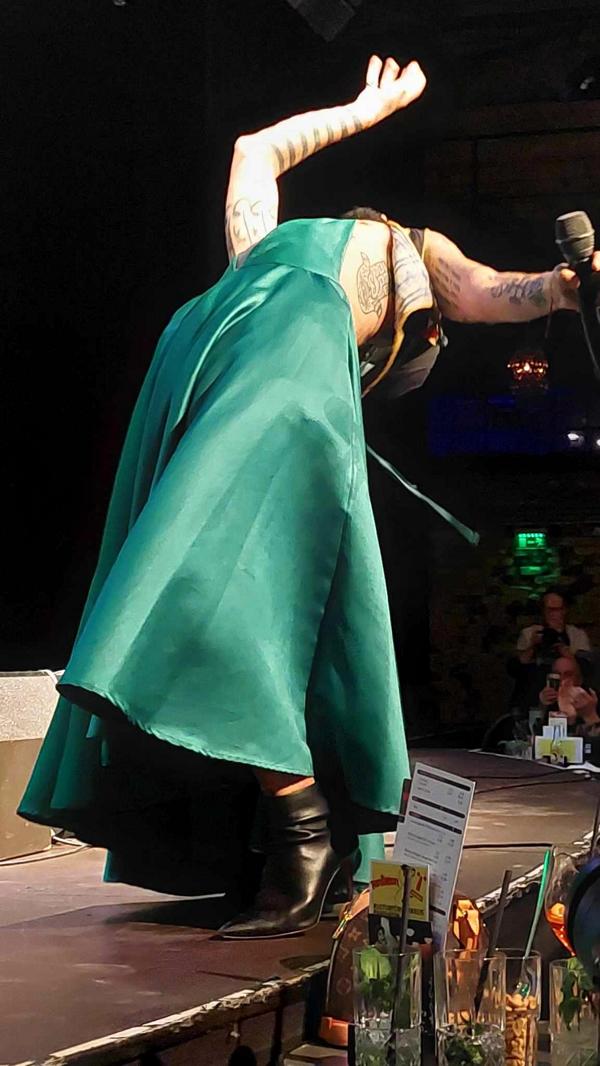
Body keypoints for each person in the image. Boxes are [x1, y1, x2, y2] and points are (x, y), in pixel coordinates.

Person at [19, 55, 600, 940]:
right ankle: (301, 828)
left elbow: (253, 152)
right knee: (221, 592)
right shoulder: (400, 249)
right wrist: (369, 112)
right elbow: (487, 292)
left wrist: (562, 288)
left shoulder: (258, 251)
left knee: (258, 604)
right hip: (271, 369)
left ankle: (293, 826)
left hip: (205, 358)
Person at [517, 589, 590, 666]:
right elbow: (520, 665)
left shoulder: (578, 635)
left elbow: (584, 667)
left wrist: (563, 649)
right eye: (549, 609)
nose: (552, 614)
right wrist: (533, 646)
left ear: (564, 610)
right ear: (543, 610)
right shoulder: (528, 633)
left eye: (557, 609)